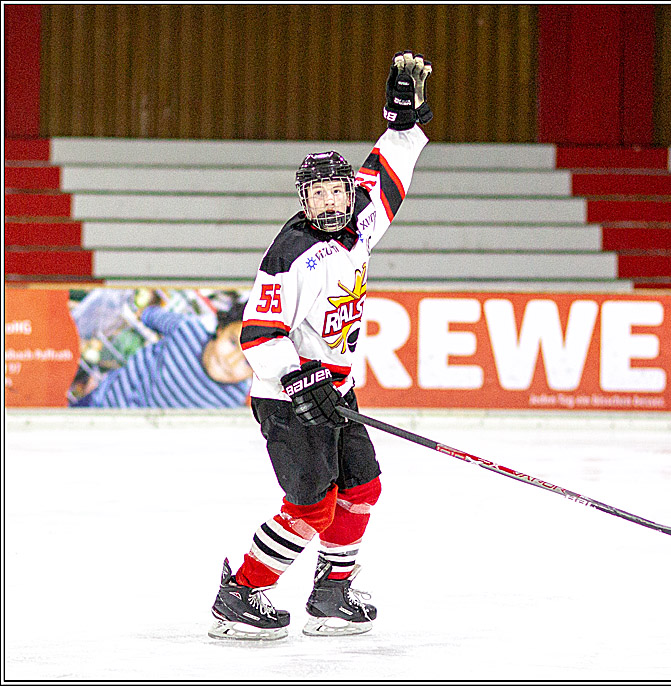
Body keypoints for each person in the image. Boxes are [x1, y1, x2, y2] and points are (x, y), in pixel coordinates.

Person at [209, 51, 433, 641]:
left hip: (336, 387)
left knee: (363, 487)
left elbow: (387, 173)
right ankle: (242, 593)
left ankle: (332, 592)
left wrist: (402, 125)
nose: (333, 203)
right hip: (287, 398)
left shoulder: (359, 221)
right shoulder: (289, 255)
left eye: (339, 191)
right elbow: (258, 333)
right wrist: (300, 380)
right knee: (312, 507)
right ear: (303, 201)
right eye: (320, 195)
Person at [71, 298, 251, 409]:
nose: (231, 360)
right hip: (101, 405)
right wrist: (141, 312)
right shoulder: (186, 329)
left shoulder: (234, 398)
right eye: (233, 342)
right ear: (221, 328)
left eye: (249, 363)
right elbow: (150, 315)